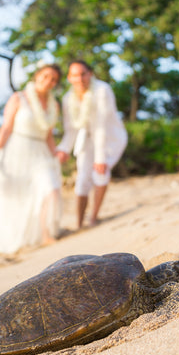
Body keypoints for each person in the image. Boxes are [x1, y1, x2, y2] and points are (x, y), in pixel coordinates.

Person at [0, 63, 62, 254]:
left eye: (53, 79)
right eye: (45, 76)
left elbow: (49, 135)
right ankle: (22, 239)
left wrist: (56, 153)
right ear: (36, 76)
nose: (48, 81)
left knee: (50, 189)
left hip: (41, 152)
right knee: (17, 196)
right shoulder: (19, 98)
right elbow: (6, 128)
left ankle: (46, 234)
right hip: (16, 150)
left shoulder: (54, 105)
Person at [57, 60, 127, 229]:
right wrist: (64, 149)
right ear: (69, 78)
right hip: (86, 138)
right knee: (81, 179)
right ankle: (79, 223)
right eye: (75, 75)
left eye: (83, 73)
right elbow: (71, 128)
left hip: (110, 137)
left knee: (100, 173)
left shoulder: (102, 90)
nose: (80, 78)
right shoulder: (68, 98)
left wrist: (100, 157)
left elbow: (101, 125)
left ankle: (94, 217)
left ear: (90, 74)